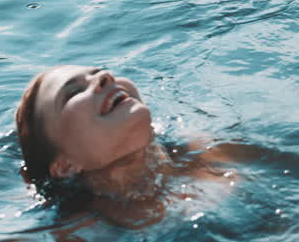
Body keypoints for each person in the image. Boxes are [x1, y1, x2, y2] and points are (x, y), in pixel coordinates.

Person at [14, 64, 238, 228]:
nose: (105, 76)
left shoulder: (206, 152)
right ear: (65, 166)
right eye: (74, 92)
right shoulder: (84, 232)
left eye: (98, 71)